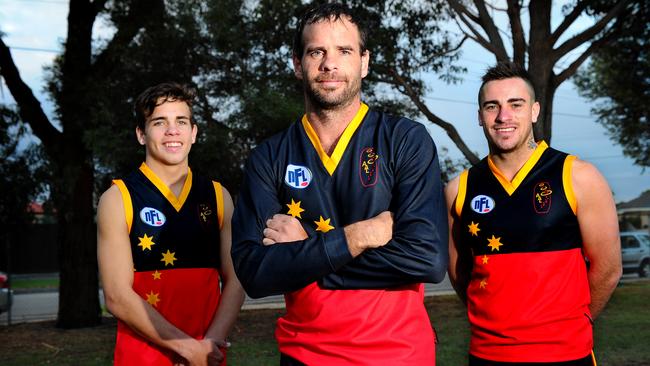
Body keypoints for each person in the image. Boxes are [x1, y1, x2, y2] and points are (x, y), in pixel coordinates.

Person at [231, 3, 448, 365]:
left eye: (344, 51)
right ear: (298, 64)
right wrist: (356, 237)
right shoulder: (268, 157)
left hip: (398, 354)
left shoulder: (406, 140)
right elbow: (255, 273)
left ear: (364, 62)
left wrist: (306, 252)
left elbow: (426, 259)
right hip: (304, 355)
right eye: (317, 52)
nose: (330, 64)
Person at [445, 61, 622, 365]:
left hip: (566, 354)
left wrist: (570, 324)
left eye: (516, 104)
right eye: (492, 106)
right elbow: (460, 275)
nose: (504, 116)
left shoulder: (578, 176)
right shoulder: (459, 188)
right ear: (479, 116)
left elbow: (607, 269)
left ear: (535, 111)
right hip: (487, 356)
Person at [97, 82, 245, 366]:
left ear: (194, 132)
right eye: (159, 122)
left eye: (181, 121)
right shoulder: (118, 198)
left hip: (207, 355)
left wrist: (209, 345)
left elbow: (236, 280)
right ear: (141, 134)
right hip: (143, 358)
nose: (172, 131)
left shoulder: (217, 195)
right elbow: (116, 296)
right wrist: (187, 348)